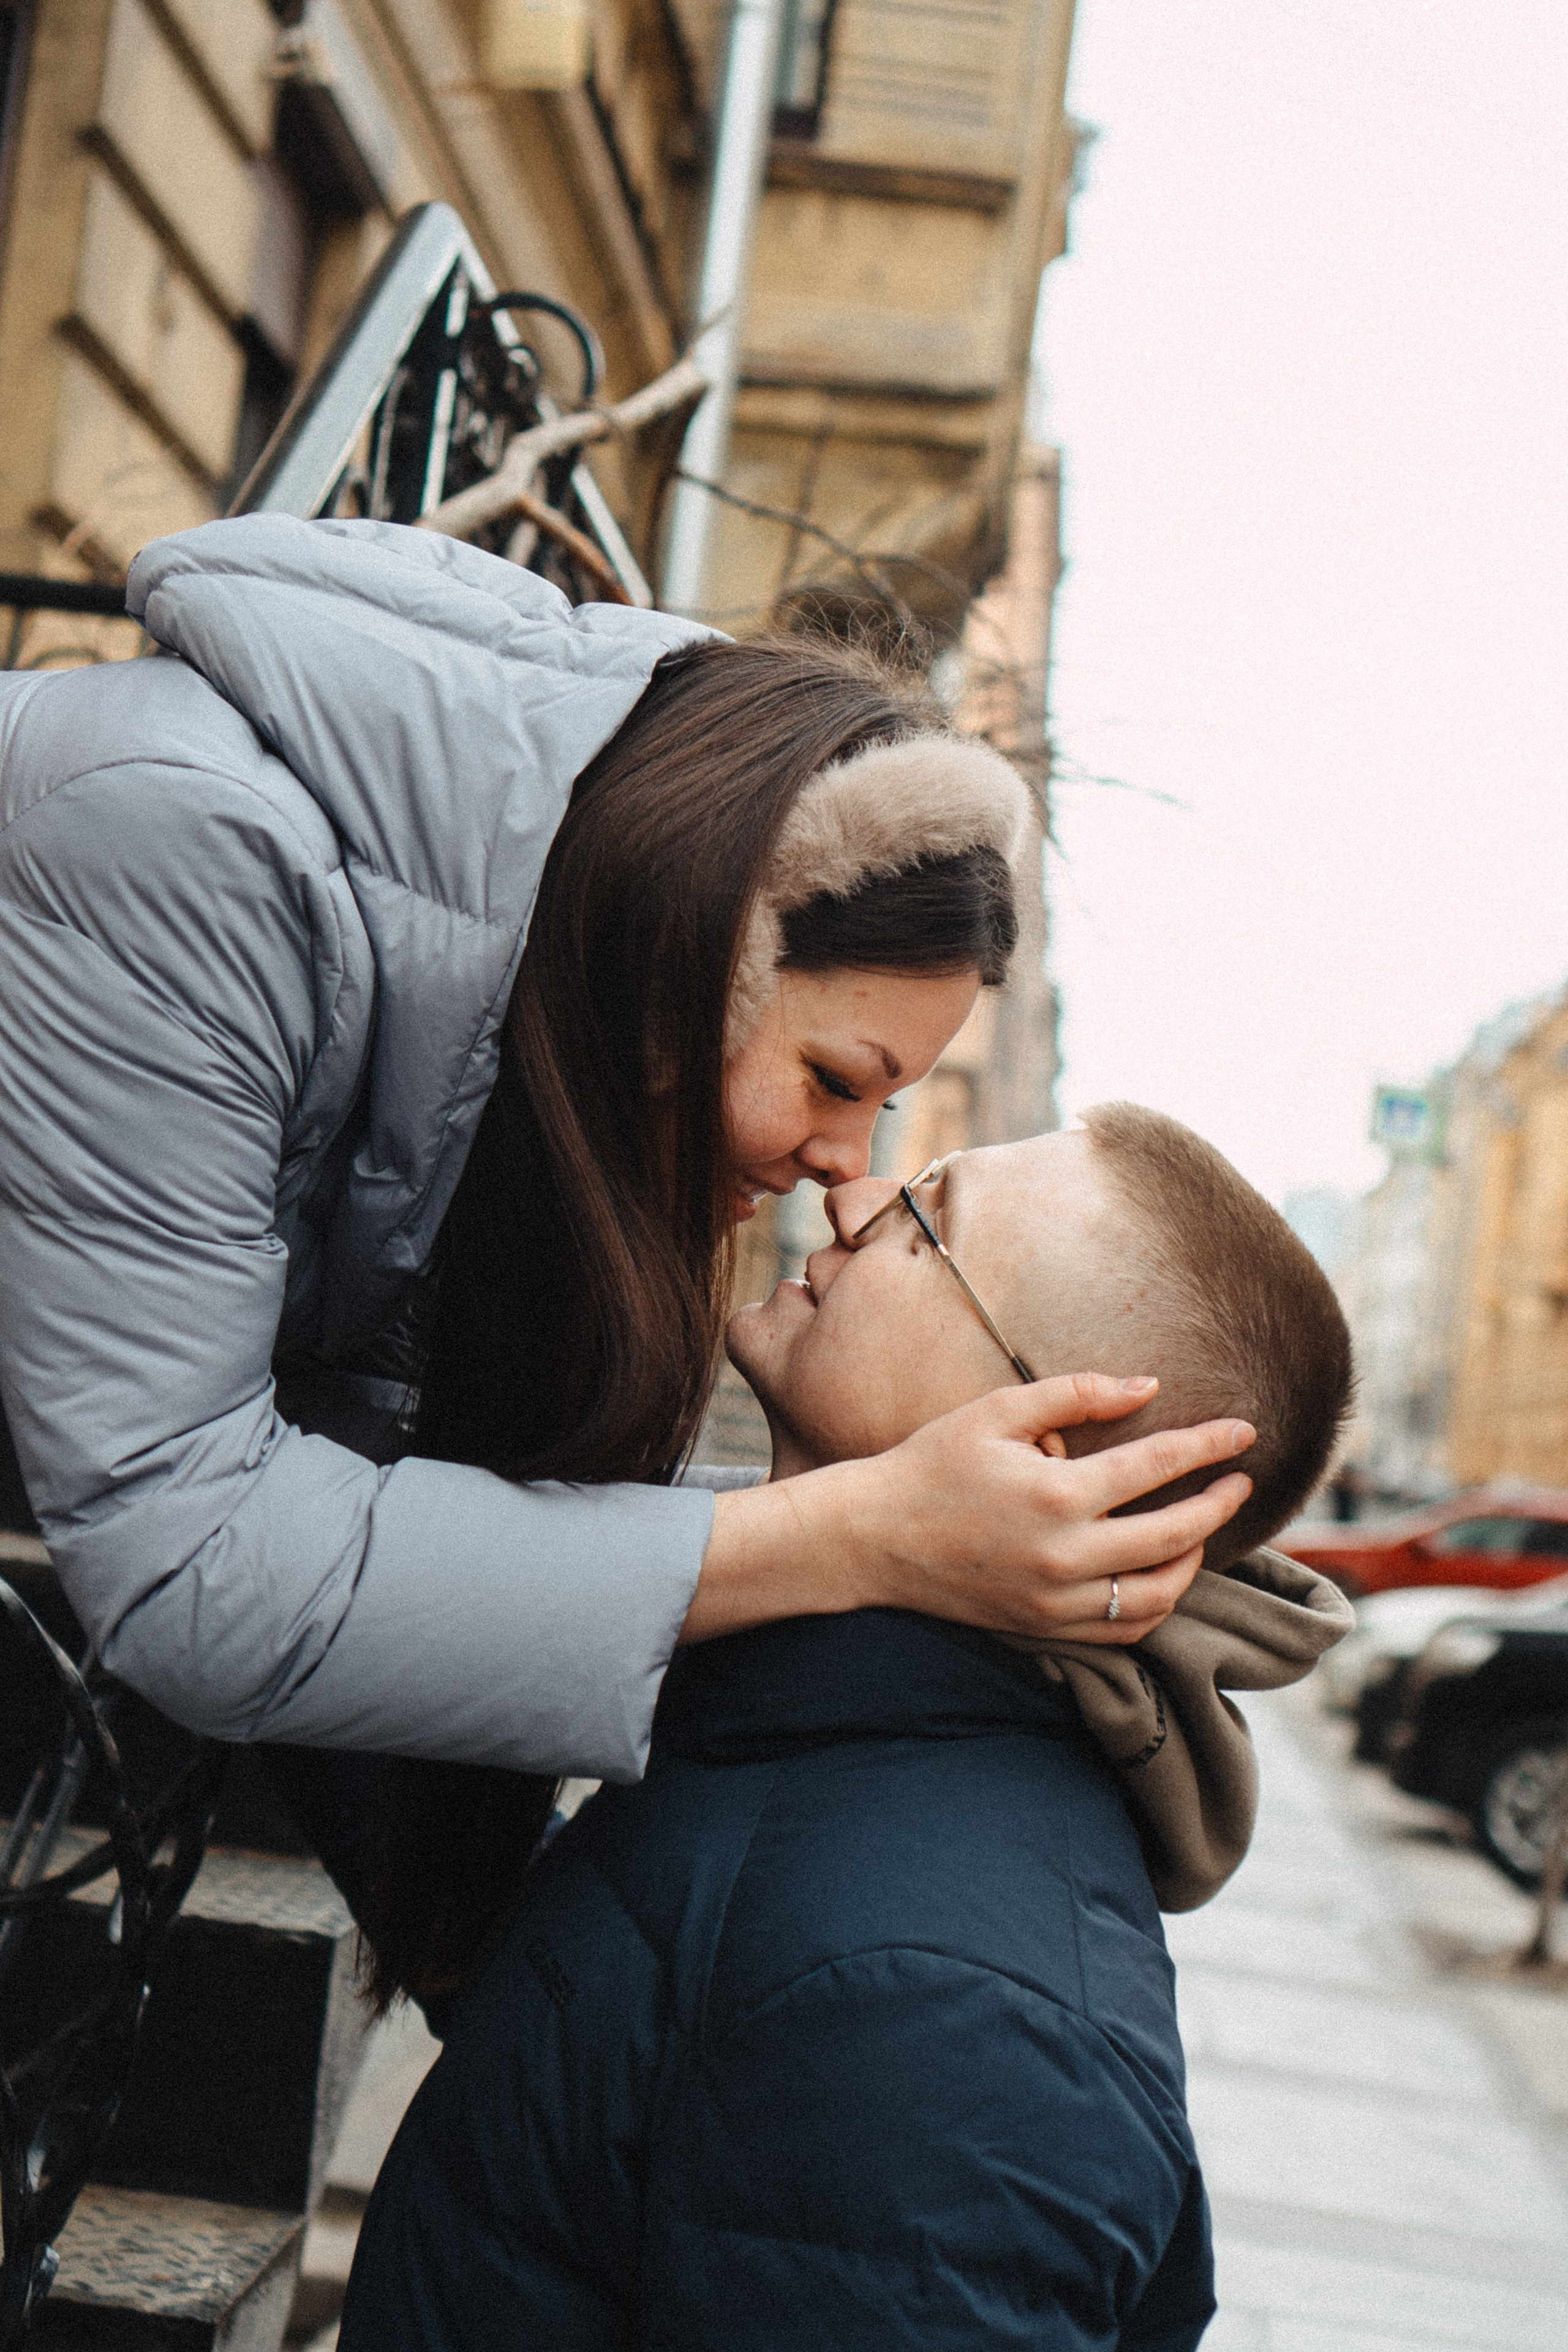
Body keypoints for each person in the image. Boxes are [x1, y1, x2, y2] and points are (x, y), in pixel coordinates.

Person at [0, 514, 1254, 1926]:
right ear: (690, 948)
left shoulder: (482, 1014)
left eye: (884, 1114)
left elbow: (363, 1485)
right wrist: (855, 1535)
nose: (846, 1172)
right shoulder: (184, 849)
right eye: (834, 1080)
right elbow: (193, 1569)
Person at [339, 1107, 1354, 2350]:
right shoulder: (802, 1730)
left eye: (926, 1218)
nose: (850, 1199)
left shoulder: (948, 2022)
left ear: (1046, 1457)